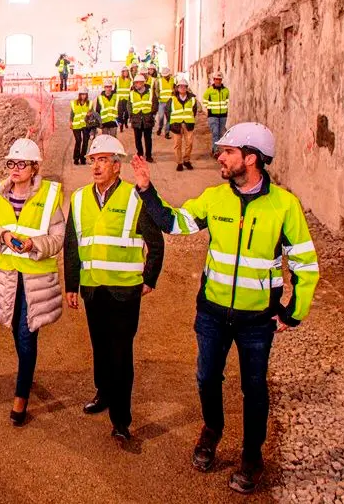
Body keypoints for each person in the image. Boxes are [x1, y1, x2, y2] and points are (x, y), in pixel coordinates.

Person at [130, 122, 320, 494]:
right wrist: (146, 190)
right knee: (206, 378)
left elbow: (305, 265)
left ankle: (252, 458)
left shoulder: (285, 206)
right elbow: (175, 222)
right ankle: (211, 431)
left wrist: (291, 312)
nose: (221, 156)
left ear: (251, 159)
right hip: (212, 312)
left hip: (257, 320)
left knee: (254, 388)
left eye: (229, 152)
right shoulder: (216, 198)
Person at [63, 135, 164, 442]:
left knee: (121, 353)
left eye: (103, 160)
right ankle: (103, 393)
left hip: (124, 290)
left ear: (117, 167)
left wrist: (149, 278)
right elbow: (72, 243)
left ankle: (121, 419)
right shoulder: (79, 199)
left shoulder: (135, 198)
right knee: (100, 347)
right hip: (93, 289)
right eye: (94, 159)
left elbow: (155, 242)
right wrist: (71, 284)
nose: (96, 165)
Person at [0, 138, 65, 426]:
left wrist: (33, 245)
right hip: (6, 278)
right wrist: (2, 236)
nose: (14, 169)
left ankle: (20, 397)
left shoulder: (50, 196)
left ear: (34, 167)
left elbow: (57, 238)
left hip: (35, 280)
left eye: (21, 164)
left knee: (28, 334)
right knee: (16, 329)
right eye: (11, 163)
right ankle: (26, 372)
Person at [166, 77, 199, 171]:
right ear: (177, 88)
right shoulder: (172, 99)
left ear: (187, 88)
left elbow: (194, 111)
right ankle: (179, 163)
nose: (182, 88)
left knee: (190, 143)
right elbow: (167, 111)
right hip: (176, 125)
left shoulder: (192, 99)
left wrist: (190, 119)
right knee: (177, 144)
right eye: (180, 86)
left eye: (184, 87)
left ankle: (186, 160)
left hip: (188, 124)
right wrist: (172, 121)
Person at [129, 74, 157, 162]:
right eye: (135, 83)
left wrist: (152, 114)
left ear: (142, 83)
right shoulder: (132, 93)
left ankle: (149, 155)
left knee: (148, 139)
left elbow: (155, 103)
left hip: (147, 119)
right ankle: (140, 153)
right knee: (138, 139)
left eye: (137, 83)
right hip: (136, 119)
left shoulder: (150, 92)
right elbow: (129, 105)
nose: (136, 85)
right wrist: (132, 115)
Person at [203, 72, 230, 157]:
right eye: (216, 79)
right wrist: (209, 109)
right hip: (213, 115)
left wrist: (225, 110)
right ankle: (216, 151)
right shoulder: (209, 91)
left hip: (223, 115)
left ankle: (215, 148)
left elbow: (227, 101)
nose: (218, 81)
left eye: (219, 79)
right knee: (215, 133)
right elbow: (205, 101)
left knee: (221, 133)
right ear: (214, 80)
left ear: (221, 80)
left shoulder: (226, 90)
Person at [70, 88, 93, 165]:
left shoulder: (89, 103)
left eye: (85, 94)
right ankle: (76, 158)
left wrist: (90, 116)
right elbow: (72, 114)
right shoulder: (74, 103)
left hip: (86, 125)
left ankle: (82, 157)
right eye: (82, 94)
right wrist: (70, 122)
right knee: (78, 141)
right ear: (79, 95)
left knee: (85, 141)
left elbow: (92, 115)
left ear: (87, 95)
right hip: (76, 125)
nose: (83, 96)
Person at [156, 67, 175, 139]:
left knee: (169, 118)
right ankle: (160, 127)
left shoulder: (173, 80)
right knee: (161, 117)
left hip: (170, 102)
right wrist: (158, 97)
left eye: (166, 75)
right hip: (162, 102)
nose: (165, 76)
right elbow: (157, 90)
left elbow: (174, 88)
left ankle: (167, 132)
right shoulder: (159, 81)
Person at [116, 66, 133, 132]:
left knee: (126, 113)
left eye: (127, 72)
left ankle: (125, 122)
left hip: (127, 99)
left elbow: (131, 89)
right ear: (122, 72)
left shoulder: (130, 80)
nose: (126, 73)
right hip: (120, 99)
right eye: (124, 72)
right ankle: (121, 126)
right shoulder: (118, 79)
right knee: (120, 114)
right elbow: (115, 89)